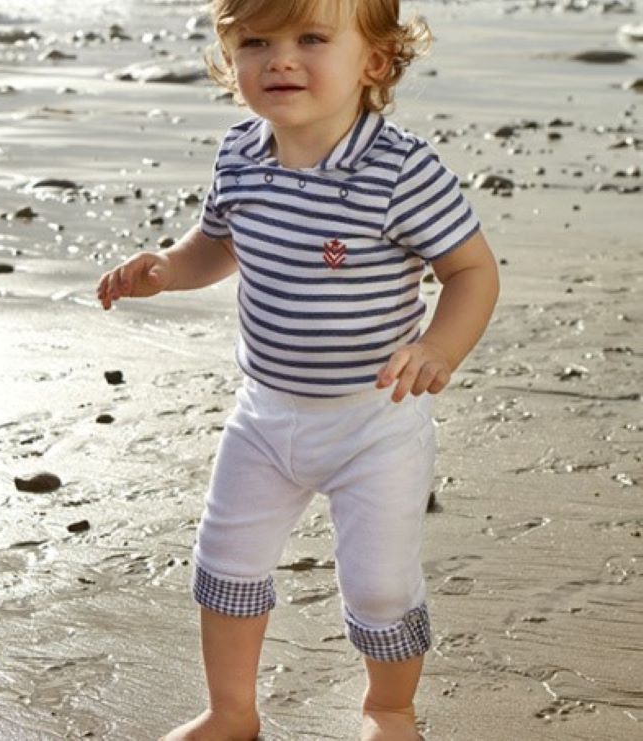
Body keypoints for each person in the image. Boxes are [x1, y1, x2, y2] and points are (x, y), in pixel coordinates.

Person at [96, 0, 499, 738]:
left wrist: (439, 348)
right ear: (230, 60)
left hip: (375, 423)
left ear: (374, 61)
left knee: (379, 586)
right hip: (265, 415)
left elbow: (471, 271)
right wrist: (167, 269)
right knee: (226, 562)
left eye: (311, 38)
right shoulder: (241, 154)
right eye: (256, 42)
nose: (280, 58)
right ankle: (231, 711)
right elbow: (218, 244)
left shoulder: (399, 170)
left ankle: (389, 708)